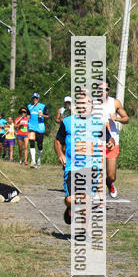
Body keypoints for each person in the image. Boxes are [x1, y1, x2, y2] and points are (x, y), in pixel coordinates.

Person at [54, 92, 114, 224]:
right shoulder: (67, 122)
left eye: (86, 103)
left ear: (92, 106)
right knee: (70, 199)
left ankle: (84, 232)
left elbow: (109, 138)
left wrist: (110, 142)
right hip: (71, 167)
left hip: (92, 166)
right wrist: (60, 154)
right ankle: (71, 208)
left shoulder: (99, 123)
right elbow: (58, 141)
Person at [98, 80, 129, 199]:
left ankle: (109, 183)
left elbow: (126, 119)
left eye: (106, 89)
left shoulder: (115, 103)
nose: (103, 92)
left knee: (111, 176)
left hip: (113, 141)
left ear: (109, 90)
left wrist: (117, 118)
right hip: (97, 142)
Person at [26, 93, 49, 168]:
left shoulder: (43, 106)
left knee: (40, 145)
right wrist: (27, 116)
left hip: (40, 127)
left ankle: (38, 159)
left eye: (36, 98)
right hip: (32, 126)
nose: (35, 99)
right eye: (34, 98)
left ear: (38, 99)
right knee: (31, 142)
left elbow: (48, 116)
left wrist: (42, 115)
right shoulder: (29, 106)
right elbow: (28, 115)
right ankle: (33, 161)